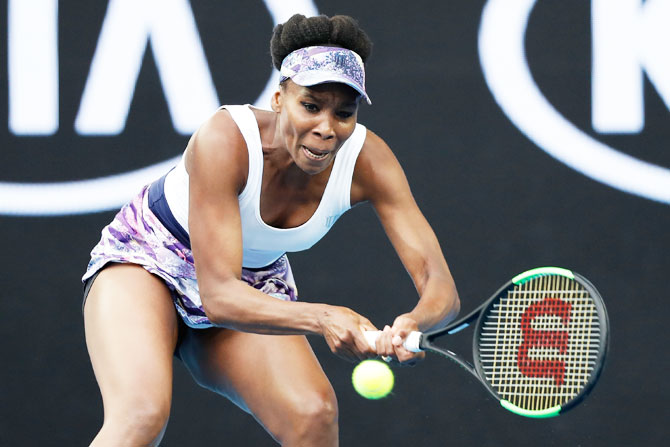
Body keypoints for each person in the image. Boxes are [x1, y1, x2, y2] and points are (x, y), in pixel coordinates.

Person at [82, 13, 460, 447]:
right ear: (280, 98)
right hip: (147, 262)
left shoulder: (369, 161)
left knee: (312, 415)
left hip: (252, 283)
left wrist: (413, 323)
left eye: (344, 112)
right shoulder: (225, 139)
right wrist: (323, 317)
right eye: (311, 105)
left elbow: (441, 288)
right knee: (141, 416)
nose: (326, 127)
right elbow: (219, 297)